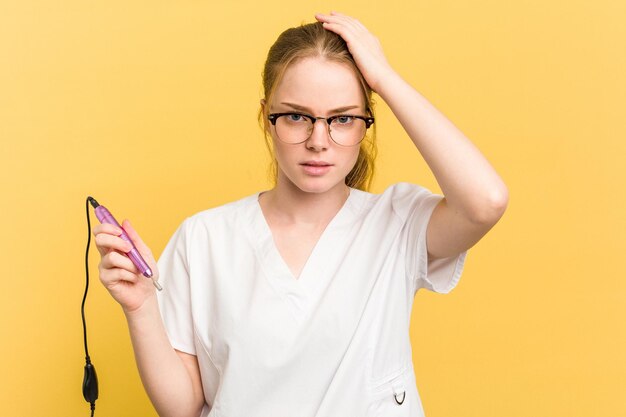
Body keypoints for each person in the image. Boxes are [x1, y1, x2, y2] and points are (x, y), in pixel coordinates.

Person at [93, 11, 508, 417]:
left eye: (342, 119)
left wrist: (384, 78)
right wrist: (141, 307)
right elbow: (182, 408)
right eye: (296, 116)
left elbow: (485, 201)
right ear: (266, 119)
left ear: (367, 124)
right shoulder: (205, 238)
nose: (318, 141)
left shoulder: (396, 223)